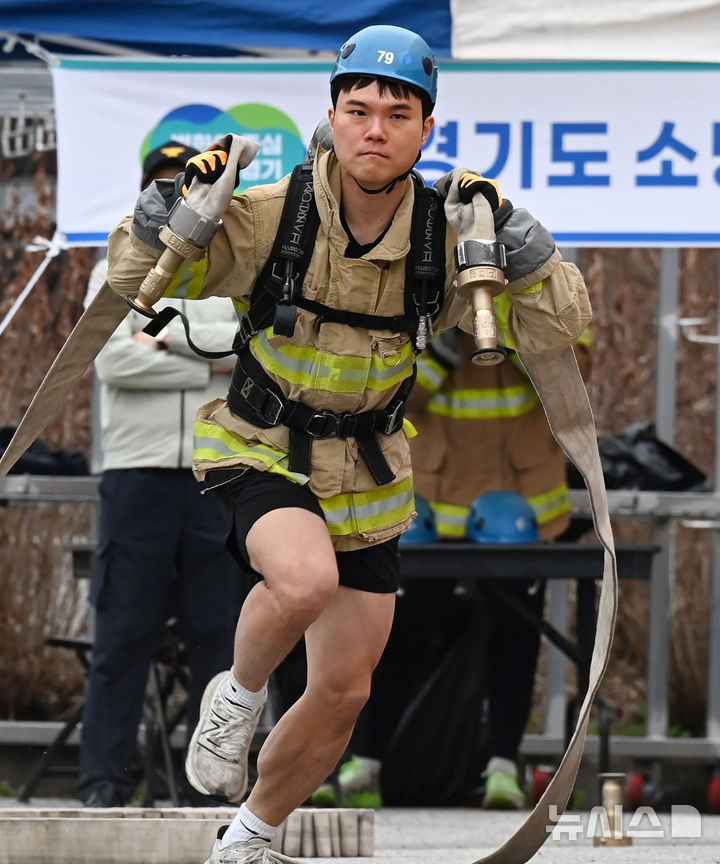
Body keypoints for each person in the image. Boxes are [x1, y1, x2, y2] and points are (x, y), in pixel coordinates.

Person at [105, 23, 591, 864]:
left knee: (343, 690)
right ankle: (237, 696)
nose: (375, 127)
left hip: (369, 476)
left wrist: (530, 252)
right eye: (358, 108)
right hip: (262, 446)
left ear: (425, 129)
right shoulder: (271, 217)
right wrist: (163, 213)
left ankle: (248, 838)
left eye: (397, 113)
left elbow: (562, 333)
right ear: (330, 113)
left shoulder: (450, 240)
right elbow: (137, 283)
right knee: (301, 581)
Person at [333, 322, 592, 811]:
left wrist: (505, 332)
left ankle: (502, 765)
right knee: (398, 634)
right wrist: (445, 348)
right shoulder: (422, 284)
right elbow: (387, 401)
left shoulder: (540, 285)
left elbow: (574, 378)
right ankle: (367, 761)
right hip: (433, 504)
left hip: (522, 505)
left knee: (515, 636)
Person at [78, 141, 252, 808]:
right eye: (168, 186)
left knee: (220, 637)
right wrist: (204, 357)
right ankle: (102, 782)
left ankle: (204, 787)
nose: (182, 198)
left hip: (219, 473)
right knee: (123, 634)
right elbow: (113, 365)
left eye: (192, 186)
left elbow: (247, 356)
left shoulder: (233, 272)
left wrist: (166, 339)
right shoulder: (116, 270)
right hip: (138, 476)